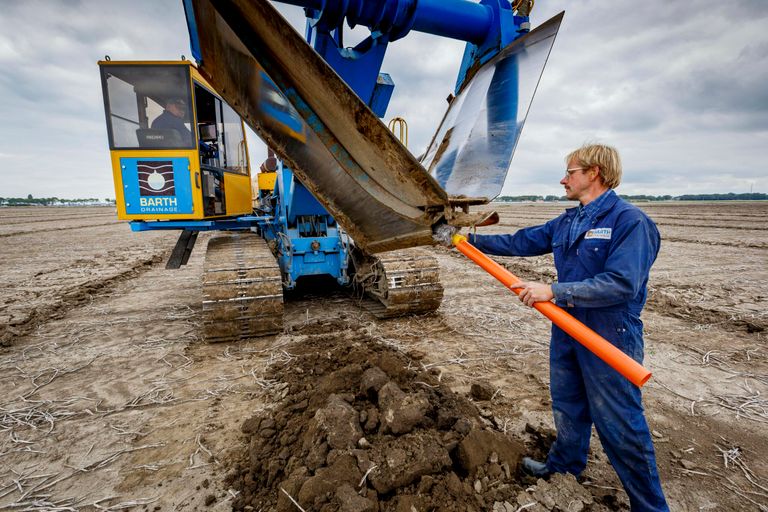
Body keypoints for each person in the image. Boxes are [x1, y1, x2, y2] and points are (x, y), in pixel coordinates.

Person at [447, 144, 668, 511]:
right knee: (568, 404)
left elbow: (621, 283)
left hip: (609, 331)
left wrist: (553, 290)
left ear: (594, 173)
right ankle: (564, 468)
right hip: (566, 324)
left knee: (619, 421)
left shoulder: (630, 221)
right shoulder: (569, 220)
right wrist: (466, 240)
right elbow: (521, 242)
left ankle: (650, 506)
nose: (564, 179)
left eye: (571, 171)